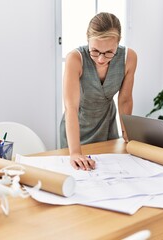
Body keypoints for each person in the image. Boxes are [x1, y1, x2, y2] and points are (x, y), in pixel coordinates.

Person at [60, 12, 137, 171]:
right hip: (77, 127)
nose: (101, 59)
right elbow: (71, 107)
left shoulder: (128, 58)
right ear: (88, 41)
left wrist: (127, 136)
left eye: (109, 52)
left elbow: (125, 100)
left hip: (107, 124)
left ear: (118, 43)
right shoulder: (75, 59)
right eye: (94, 51)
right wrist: (75, 152)